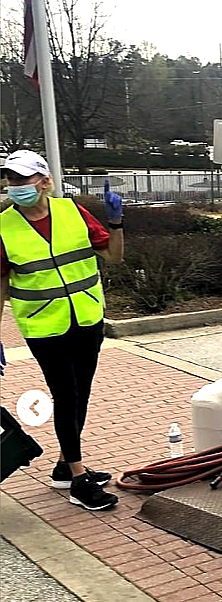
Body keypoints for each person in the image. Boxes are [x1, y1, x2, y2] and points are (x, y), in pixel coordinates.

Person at [0, 150, 124, 511]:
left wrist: (116, 223)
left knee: (80, 393)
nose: (16, 186)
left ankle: (64, 468)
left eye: (23, 178)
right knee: (66, 395)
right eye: (11, 179)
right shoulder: (3, 227)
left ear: (44, 181)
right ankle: (78, 478)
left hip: (86, 318)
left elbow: (113, 257)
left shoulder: (72, 212)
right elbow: (1, 286)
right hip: (44, 325)